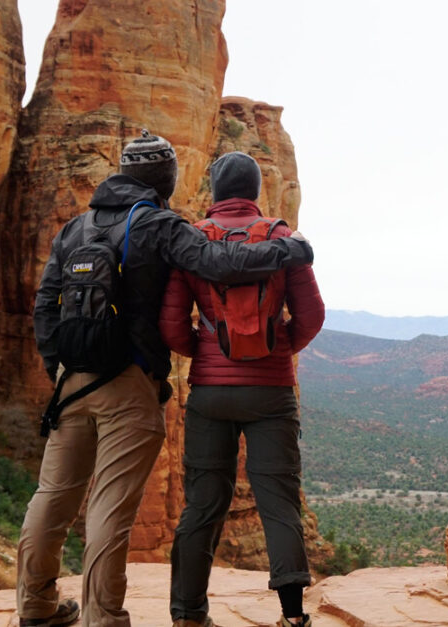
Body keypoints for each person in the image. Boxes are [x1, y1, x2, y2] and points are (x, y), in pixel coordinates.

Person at [19, 132, 315, 627]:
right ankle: (104, 617)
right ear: (168, 179)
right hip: (128, 383)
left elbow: (45, 304)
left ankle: (36, 606)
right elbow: (220, 262)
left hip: (71, 384)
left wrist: (58, 368)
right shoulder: (160, 225)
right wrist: (291, 250)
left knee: (53, 495)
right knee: (109, 507)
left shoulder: (76, 227)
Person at [159, 151, 324, 627]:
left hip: (210, 392)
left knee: (202, 504)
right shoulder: (281, 239)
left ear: (215, 192)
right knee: (279, 500)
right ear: (254, 192)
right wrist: (276, 346)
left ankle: (189, 615)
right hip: (272, 391)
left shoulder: (192, 241)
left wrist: (208, 352)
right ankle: (293, 617)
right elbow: (312, 316)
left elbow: (172, 327)